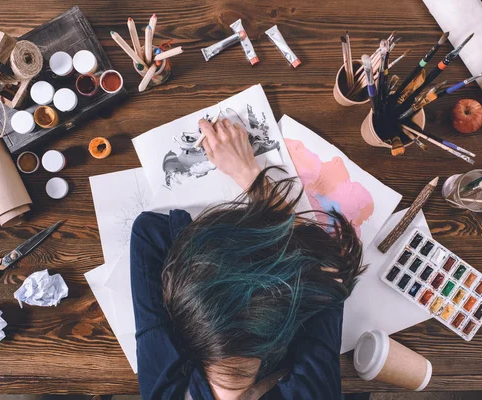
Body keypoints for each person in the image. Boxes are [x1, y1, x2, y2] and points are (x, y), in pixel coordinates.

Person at [131, 117, 365, 400]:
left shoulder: (165, 390)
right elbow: (330, 268)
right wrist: (250, 177)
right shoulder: (313, 392)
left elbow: (149, 232)